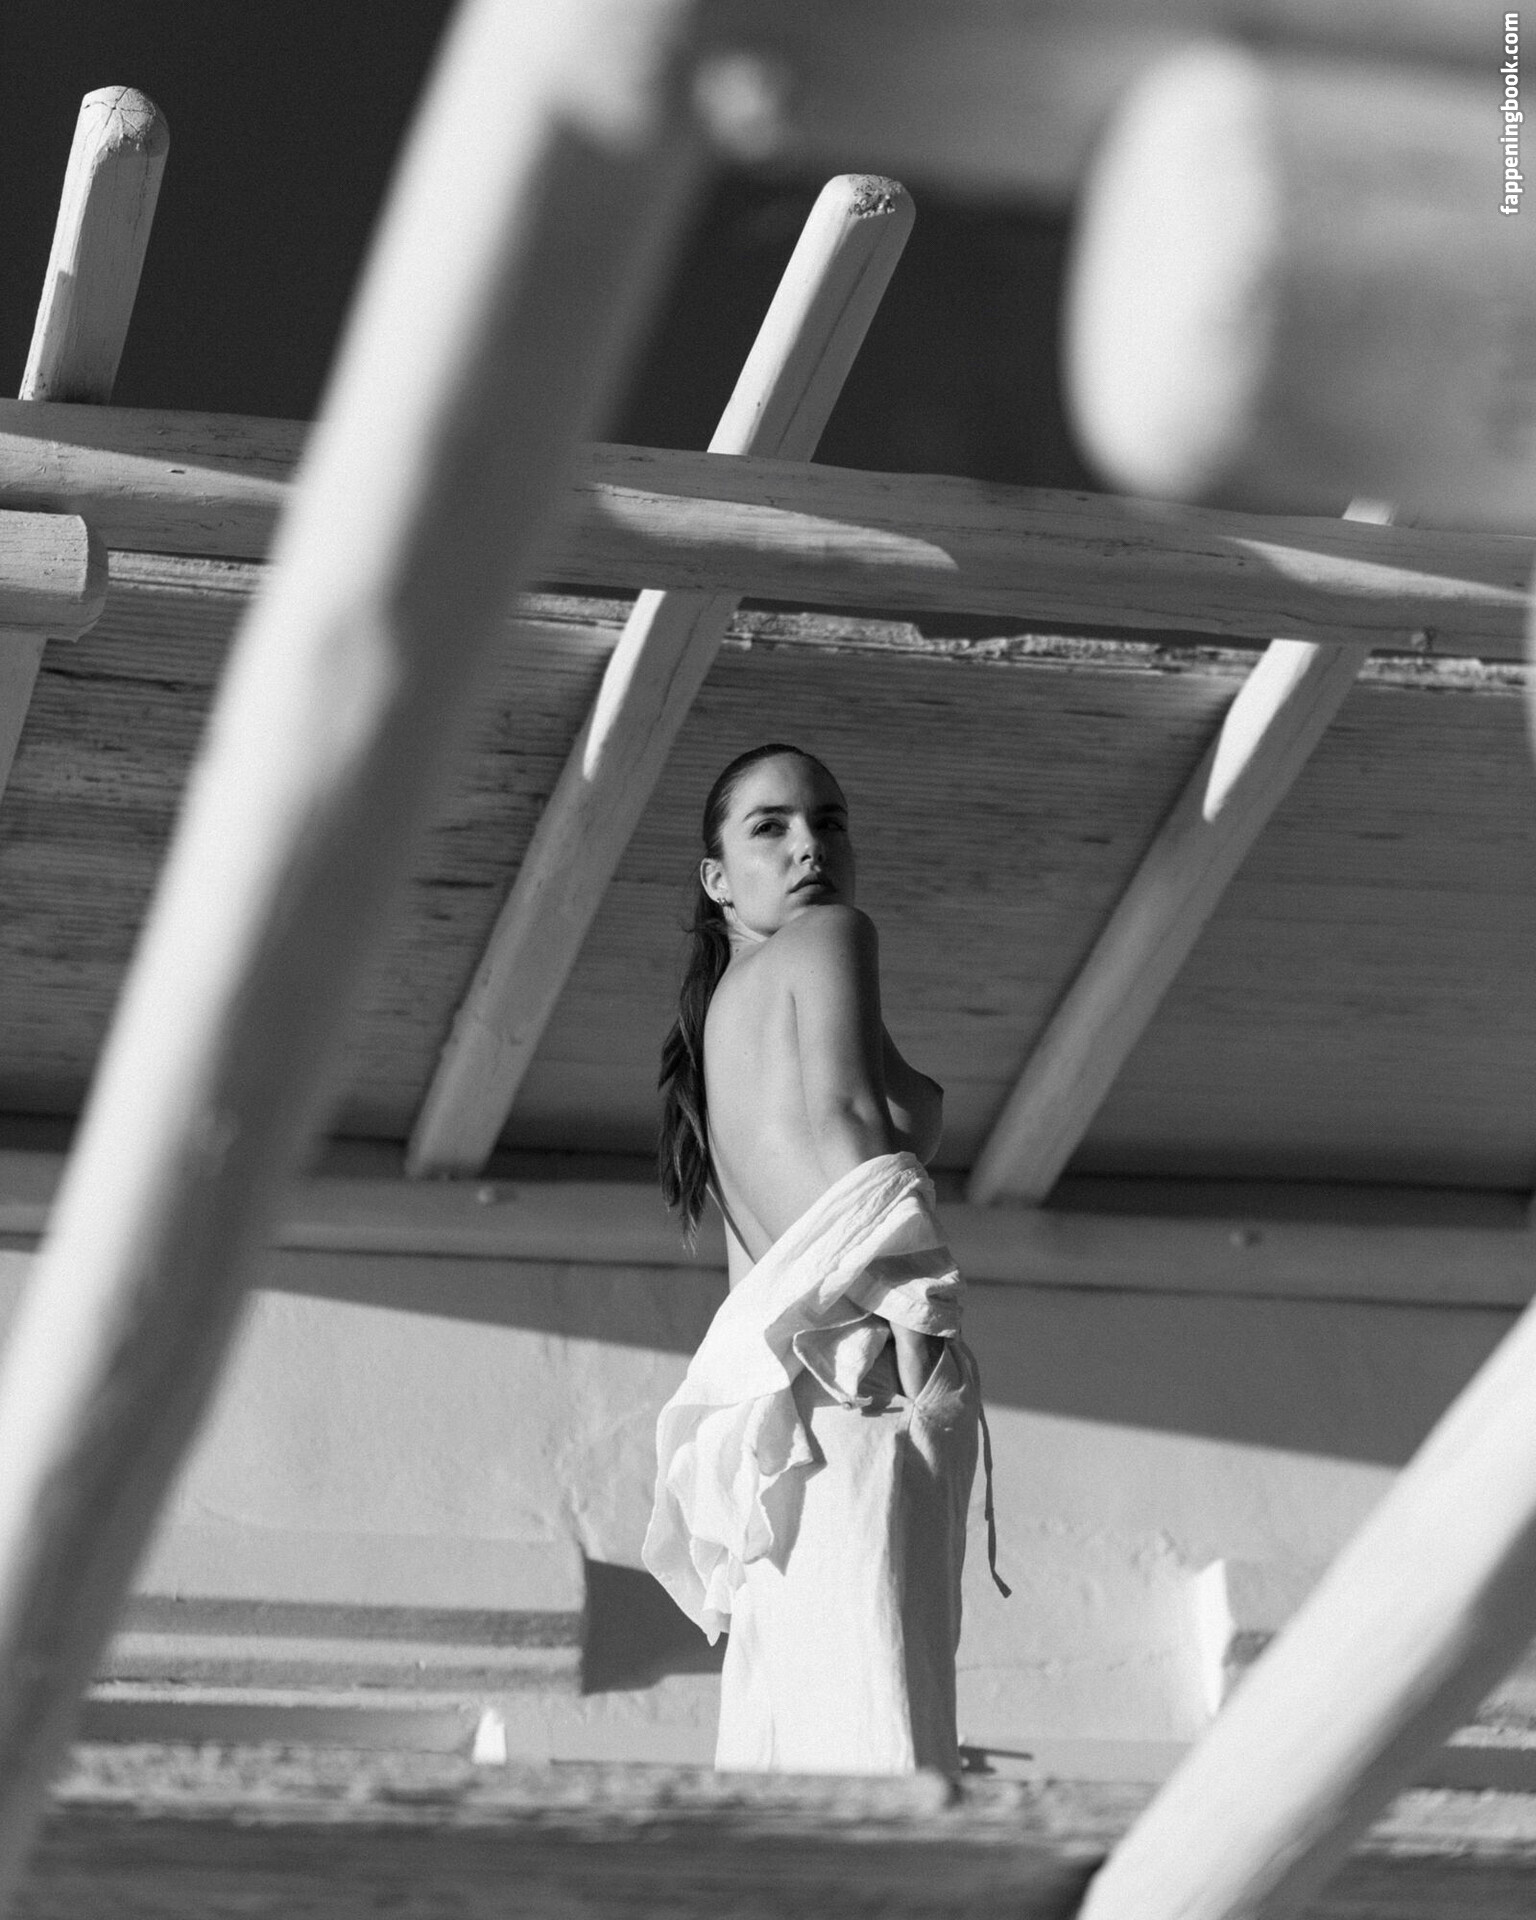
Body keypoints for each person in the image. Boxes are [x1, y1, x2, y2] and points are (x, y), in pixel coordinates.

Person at [643, 743, 1004, 1776]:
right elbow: (853, 1121)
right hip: (867, 1375)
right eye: (771, 827)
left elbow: (756, 1272)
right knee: (885, 1712)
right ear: (716, 878)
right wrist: (915, 1316)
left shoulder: (721, 1020)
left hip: (780, 1422)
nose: (811, 846)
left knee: (808, 1723)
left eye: (830, 822)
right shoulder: (833, 935)